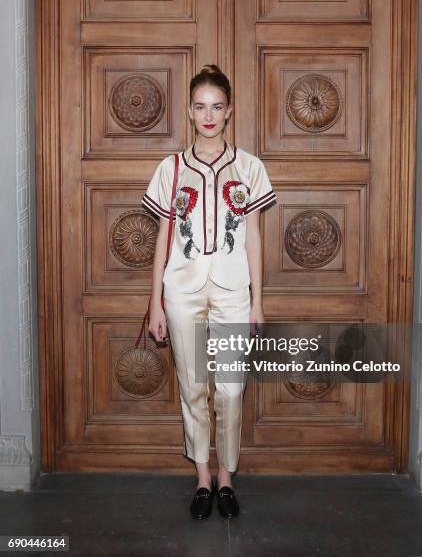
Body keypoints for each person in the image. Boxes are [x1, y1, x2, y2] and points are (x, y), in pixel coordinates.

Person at [142, 64, 276, 519]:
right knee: (193, 386)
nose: (209, 114)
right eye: (200, 107)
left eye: (217, 106)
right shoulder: (171, 168)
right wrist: (154, 302)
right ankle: (203, 481)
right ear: (189, 112)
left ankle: (227, 478)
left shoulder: (250, 167)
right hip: (180, 290)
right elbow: (162, 237)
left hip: (234, 290)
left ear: (230, 110)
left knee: (231, 390)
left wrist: (258, 299)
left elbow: (254, 236)